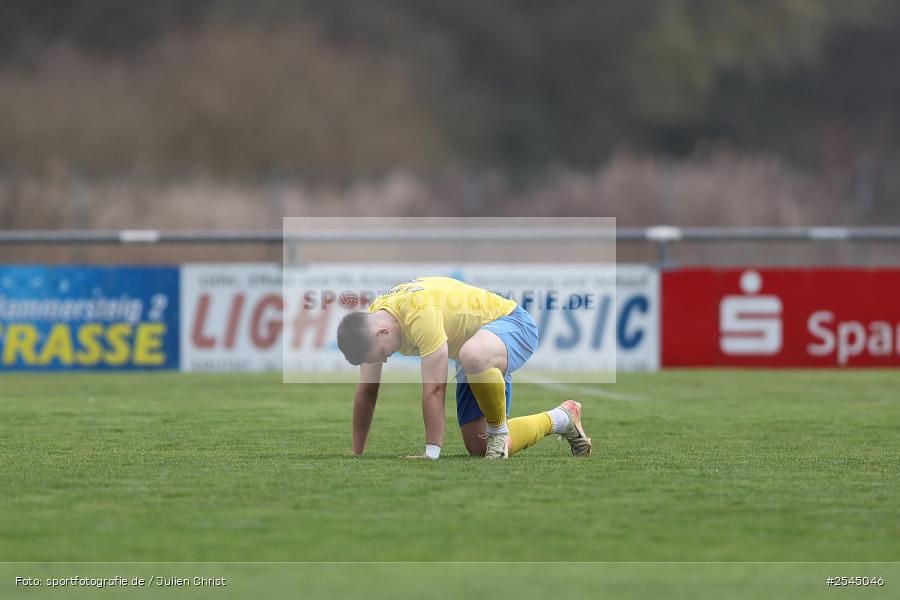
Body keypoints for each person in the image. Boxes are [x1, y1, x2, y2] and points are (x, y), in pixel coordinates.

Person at [336, 276, 592, 459]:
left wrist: (431, 453)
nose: (384, 360)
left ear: (381, 333)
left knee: (472, 355)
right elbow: (367, 391)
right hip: (477, 351)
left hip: (512, 324)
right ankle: (563, 418)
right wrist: (357, 453)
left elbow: (435, 388)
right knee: (479, 448)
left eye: (380, 355)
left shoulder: (420, 314)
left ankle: (498, 431)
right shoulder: (374, 316)